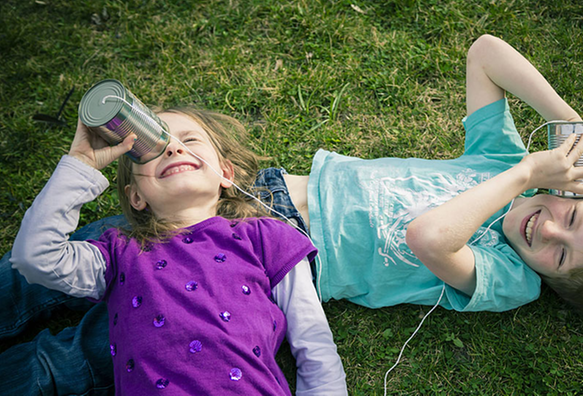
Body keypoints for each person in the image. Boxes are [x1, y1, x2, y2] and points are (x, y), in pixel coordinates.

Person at [1, 34, 583, 395]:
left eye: (562, 254)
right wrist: (566, 126)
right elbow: (485, 52)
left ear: (555, 282)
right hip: (249, 193)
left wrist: (528, 174)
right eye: (571, 217)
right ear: (576, 192)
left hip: (266, 265)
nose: (549, 231)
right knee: (67, 259)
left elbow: (430, 237)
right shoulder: (499, 158)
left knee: (113, 348)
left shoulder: (511, 276)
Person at [9, 106, 348, 394]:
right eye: (151, 149)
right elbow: (35, 257)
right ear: (136, 196)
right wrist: (80, 163)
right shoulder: (119, 251)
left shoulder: (269, 236)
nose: (172, 149)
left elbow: (314, 342)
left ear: (225, 174)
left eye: (189, 140)